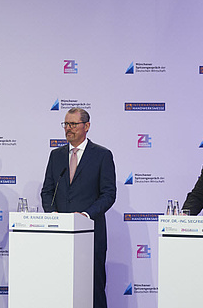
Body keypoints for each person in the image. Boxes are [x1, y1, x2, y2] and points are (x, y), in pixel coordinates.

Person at [41, 108, 116, 308]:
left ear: (87, 126)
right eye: (66, 124)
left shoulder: (102, 155)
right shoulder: (55, 155)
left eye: (73, 124)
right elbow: (47, 191)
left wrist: (85, 215)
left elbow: (108, 194)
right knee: (60, 286)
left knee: (93, 287)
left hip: (90, 233)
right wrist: (53, 215)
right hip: (60, 234)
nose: (68, 129)